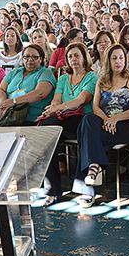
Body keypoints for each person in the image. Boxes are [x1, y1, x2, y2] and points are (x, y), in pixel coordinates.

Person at [74, 44, 129, 207]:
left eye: (121, 58)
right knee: (88, 120)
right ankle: (94, 167)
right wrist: (107, 120)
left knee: (87, 138)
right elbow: (95, 107)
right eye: (114, 58)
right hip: (105, 124)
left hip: (126, 125)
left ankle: (87, 190)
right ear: (108, 61)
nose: (118, 61)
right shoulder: (102, 80)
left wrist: (116, 119)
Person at [39, 43, 97, 204]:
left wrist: (56, 108)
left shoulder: (92, 77)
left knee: (84, 133)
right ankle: (52, 189)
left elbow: (81, 100)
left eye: (76, 55)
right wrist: (52, 108)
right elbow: (57, 99)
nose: (73, 59)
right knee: (45, 132)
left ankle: (85, 189)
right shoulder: (64, 78)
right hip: (63, 118)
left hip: (82, 120)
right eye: (70, 56)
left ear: (84, 57)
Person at [0, 44, 56, 124]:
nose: (30, 60)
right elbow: (1, 90)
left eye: (35, 57)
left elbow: (40, 93)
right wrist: (4, 104)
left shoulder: (45, 72)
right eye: (26, 57)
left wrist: (13, 102)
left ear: (41, 59)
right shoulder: (15, 72)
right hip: (9, 115)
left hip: (32, 118)